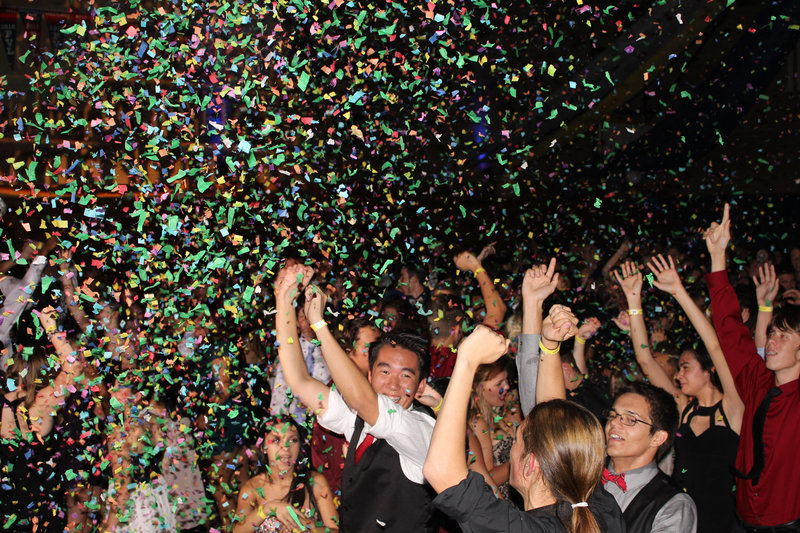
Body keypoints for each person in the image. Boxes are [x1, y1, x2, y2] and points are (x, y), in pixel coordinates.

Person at [520, 261, 697, 533]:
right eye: (613, 416)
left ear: (659, 436)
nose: (614, 424)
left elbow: (646, 359)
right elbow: (546, 415)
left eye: (630, 420)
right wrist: (533, 309)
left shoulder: (672, 504)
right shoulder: (584, 472)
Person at [274, 263, 436, 532]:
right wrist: (284, 301)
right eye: (385, 371)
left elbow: (367, 403)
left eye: (406, 376)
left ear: (420, 387)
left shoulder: (423, 429)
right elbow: (299, 380)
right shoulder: (357, 423)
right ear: (370, 376)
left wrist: (319, 324)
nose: (394, 384)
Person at [423, 324, 625, 533]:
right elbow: (553, 419)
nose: (513, 446)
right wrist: (549, 346)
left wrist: (467, 360)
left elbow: (441, 473)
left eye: (517, 440)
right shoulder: (599, 508)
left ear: (531, 464)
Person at [614, 256, 744, 533]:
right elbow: (645, 359)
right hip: (676, 515)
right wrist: (634, 299)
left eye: (686, 367)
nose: (678, 375)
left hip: (723, 522)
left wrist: (678, 292)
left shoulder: (732, 409)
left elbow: (716, 346)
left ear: (708, 370)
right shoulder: (684, 408)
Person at [704, 203, 800, 530]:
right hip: (743, 520)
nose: (771, 340)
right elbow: (729, 327)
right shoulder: (757, 380)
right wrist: (718, 257)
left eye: (783, 336)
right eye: (772, 333)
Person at [233, 418, 338, 532]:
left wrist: (309, 529)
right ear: (264, 448)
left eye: (293, 440)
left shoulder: (315, 482)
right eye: (277, 440)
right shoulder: (252, 488)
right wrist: (266, 509)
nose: (286, 447)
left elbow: (336, 530)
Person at [468, 356, 521, 499]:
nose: (507, 387)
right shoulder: (477, 423)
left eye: (506, 380)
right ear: (478, 387)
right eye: (499, 384)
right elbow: (486, 479)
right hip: (501, 504)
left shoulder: (498, 414)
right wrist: (521, 459)